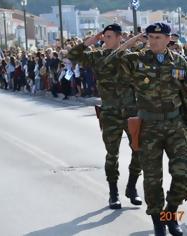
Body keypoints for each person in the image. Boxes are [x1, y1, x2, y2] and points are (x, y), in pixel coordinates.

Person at [107, 22, 187, 236]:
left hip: (175, 125)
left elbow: (185, 95)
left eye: (158, 38)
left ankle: (170, 215)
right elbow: (109, 61)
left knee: (183, 173)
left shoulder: (179, 62)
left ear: (169, 39)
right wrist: (132, 42)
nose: (153, 41)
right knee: (153, 179)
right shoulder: (137, 60)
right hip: (148, 126)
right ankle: (158, 223)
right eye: (150, 37)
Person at [67, 24, 142, 209]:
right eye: (104, 36)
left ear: (119, 37)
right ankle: (113, 193)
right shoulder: (97, 56)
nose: (105, 39)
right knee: (112, 154)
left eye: (109, 36)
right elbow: (72, 57)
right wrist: (88, 42)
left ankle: (132, 187)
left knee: (139, 151)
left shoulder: (130, 56)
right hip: (110, 112)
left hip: (131, 111)